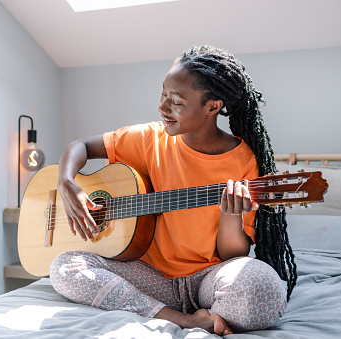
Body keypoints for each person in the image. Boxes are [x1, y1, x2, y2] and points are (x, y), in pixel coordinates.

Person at [50, 45, 297, 335]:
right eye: (163, 95)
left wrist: (231, 215)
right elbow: (79, 147)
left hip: (209, 277)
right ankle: (184, 318)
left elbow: (233, 255)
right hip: (149, 275)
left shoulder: (243, 161)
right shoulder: (147, 138)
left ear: (212, 106)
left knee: (262, 289)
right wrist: (66, 181)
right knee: (65, 267)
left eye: (176, 102)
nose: (162, 108)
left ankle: (171, 308)